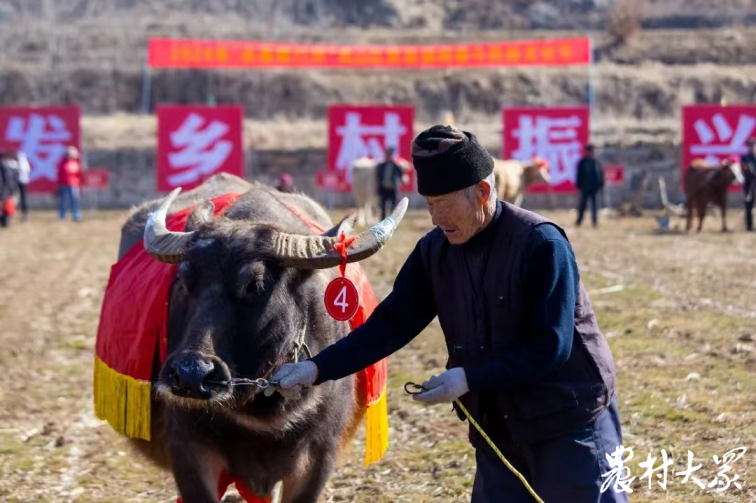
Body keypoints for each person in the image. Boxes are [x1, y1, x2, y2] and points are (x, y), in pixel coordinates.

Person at [267, 125, 626, 502]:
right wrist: (317, 369)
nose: (435, 217)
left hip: (569, 419)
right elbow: (391, 324)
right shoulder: (434, 251)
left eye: (444, 203)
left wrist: (469, 378)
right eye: (428, 204)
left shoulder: (542, 245)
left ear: (483, 192)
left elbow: (551, 346)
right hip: (498, 424)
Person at [575, 144, 604, 227]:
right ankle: (579, 221)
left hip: (594, 188)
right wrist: (579, 186)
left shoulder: (597, 162)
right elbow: (579, 175)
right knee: (582, 205)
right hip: (585, 187)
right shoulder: (582, 162)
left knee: (595, 206)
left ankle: (595, 222)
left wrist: (601, 185)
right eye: (591, 151)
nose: (592, 153)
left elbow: (600, 175)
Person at [375, 146, 406, 220]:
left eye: (389, 154)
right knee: (382, 207)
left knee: (393, 206)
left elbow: (401, 173)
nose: (387, 156)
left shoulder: (396, 166)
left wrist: (400, 181)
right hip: (384, 188)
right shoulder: (381, 166)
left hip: (392, 188)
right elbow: (378, 177)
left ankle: (392, 221)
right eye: (386, 154)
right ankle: (382, 222)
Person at [57, 146, 82, 222]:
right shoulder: (62, 163)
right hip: (64, 185)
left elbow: (78, 174)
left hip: (74, 184)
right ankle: (62, 216)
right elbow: (60, 174)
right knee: (63, 201)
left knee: (75, 200)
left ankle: (76, 215)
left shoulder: (75, 163)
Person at [741, 138, 756, 232]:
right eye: (750, 146)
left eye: (753, 146)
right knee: (748, 206)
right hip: (749, 185)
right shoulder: (745, 158)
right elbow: (745, 170)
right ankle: (749, 226)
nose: (751, 148)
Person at [0, 150, 17, 228]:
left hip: (3, 190)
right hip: (5, 190)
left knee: (4, 207)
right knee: (5, 207)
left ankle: (4, 222)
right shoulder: (5, 166)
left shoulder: (4, 166)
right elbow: (8, 180)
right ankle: (5, 222)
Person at [11, 150, 30, 221]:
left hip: (18, 183)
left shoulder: (18, 164)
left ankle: (15, 212)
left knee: (16, 198)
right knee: (23, 198)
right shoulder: (26, 163)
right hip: (24, 182)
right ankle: (23, 213)